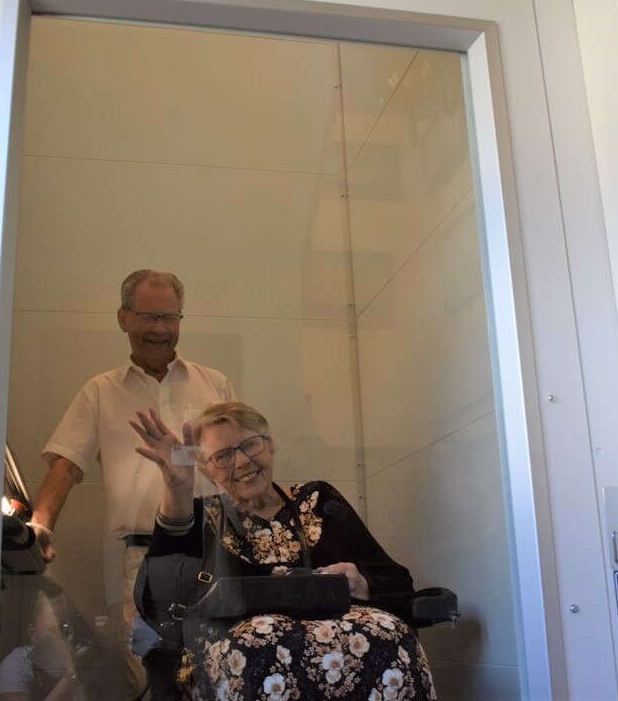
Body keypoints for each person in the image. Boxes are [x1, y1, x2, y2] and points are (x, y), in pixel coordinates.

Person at [131, 402, 438, 701]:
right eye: (222, 456)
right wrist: (177, 489)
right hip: (245, 655)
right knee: (255, 647)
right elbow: (159, 593)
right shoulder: (202, 516)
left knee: (394, 633)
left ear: (270, 445)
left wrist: (363, 583)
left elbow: (397, 581)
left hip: (347, 645)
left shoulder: (318, 499)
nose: (241, 462)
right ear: (206, 469)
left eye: (250, 445)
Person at [27, 270, 236, 697]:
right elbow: (66, 465)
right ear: (123, 318)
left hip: (212, 548)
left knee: (221, 668)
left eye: (169, 317)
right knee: (147, 677)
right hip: (138, 558)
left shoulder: (215, 384)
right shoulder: (100, 391)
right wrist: (39, 527)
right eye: (148, 317)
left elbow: (243, 463)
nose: (160, 329)